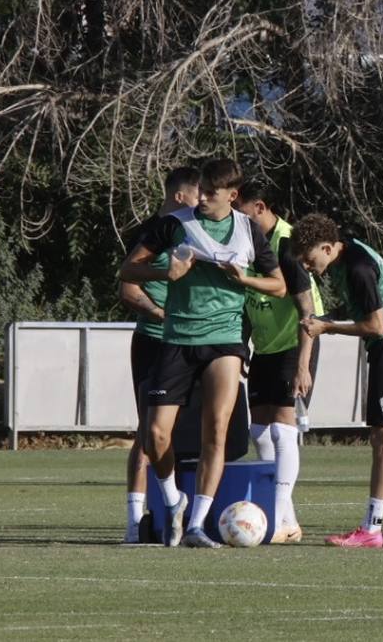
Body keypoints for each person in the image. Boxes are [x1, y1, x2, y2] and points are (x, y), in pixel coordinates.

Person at [118, 158, 288, 548]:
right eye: (202, 191)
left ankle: (196, 524)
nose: (204, 198)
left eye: (212, 192)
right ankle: (173, 500)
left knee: (217, 429)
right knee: (155, 434)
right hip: (177, 338)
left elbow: (278, 285)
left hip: (224, 339)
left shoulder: (248, 230)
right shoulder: (174, 224)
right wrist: (166, 274)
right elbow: (127, 271)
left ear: (233, 195)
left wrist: (244, 279)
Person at [294, 213, 383, 548]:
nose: (307, 266)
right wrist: (325, 319)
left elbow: (377, 325)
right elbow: (357, 308)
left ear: (328, 247)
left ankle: (371, 528)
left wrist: (326, 327)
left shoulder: (357, 267)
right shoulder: (343, 257)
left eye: (309, 259)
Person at [234, 181, 324, 544]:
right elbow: (246, 301)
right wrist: (243, 346)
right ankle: (287, 520)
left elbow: (307, 309)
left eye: (240, 210)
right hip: (265, 348)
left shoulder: (287, 244)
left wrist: (303, 365)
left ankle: (276, 515)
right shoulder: (245, 242)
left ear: (259, 207)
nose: (234, 217)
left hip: (293, 344)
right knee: (259, 430)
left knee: (283, 430)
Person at [116, 166, 200, 543]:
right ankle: (136, 523)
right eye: (198, 194)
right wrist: (161, 314)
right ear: (180, 196)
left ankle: (187, 515)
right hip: (154, 342)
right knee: (147, 433)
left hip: (190, 343)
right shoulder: (151, 234)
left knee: (186, 432)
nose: (202, 202)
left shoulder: (195, 230)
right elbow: (127, 288)